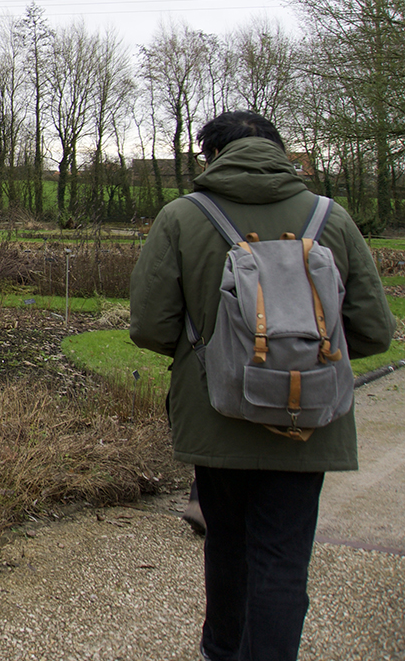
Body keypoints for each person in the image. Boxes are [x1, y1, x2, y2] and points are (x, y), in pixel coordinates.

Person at [129, 111, 395, 661]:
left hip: (217, 413)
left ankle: (221, 652)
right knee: (282, 559)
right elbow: (374, 332)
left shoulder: (183, 216)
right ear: (280, 150)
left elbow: (150, 327)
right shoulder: (331, 218)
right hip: (309, 421)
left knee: (227, 547)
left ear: (211, 157)